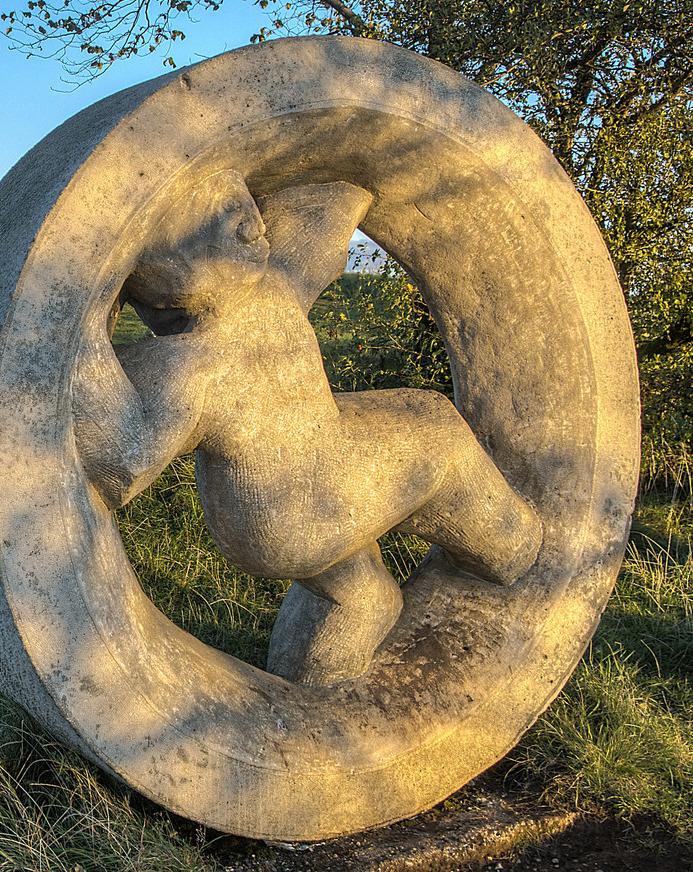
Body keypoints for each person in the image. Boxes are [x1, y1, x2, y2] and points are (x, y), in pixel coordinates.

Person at [72, 169, 543, 686]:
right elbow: (120, 465)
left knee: (364, 598)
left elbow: (312, 252)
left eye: (244, 207)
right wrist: (80, 328)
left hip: (275, 519)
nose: (253, 227)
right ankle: (519, 556)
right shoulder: (188, 366)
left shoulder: (243, 309)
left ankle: (310, 695)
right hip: (307, 507)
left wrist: (342, 195)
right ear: (159, 270)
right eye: (219, 221)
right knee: (435, 428)